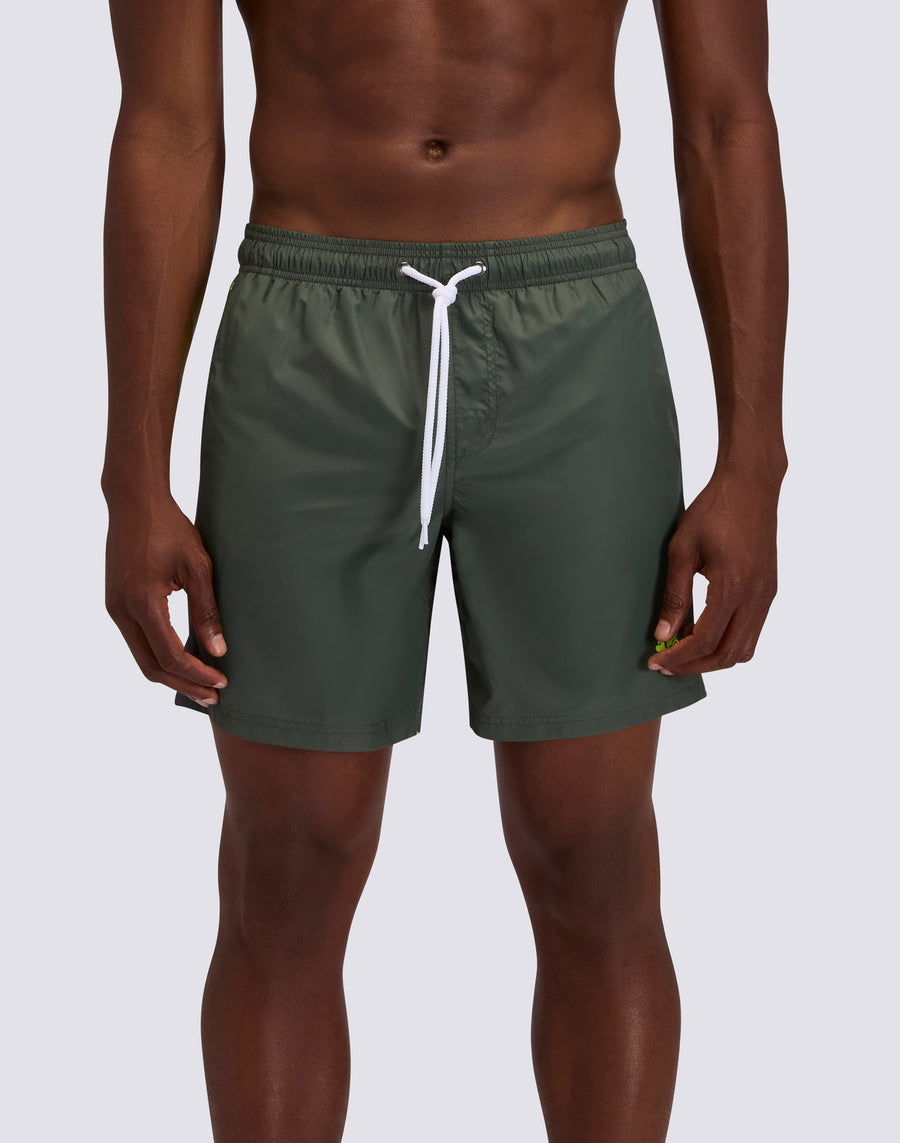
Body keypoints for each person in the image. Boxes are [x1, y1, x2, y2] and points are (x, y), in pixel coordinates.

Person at [101, 0, 788, 1139]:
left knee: (592, 853)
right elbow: (165, 126)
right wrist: (132, 475)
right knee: (289, 862)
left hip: (574, 333)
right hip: (303, 337)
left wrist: (754, 460)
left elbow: (728, 116)